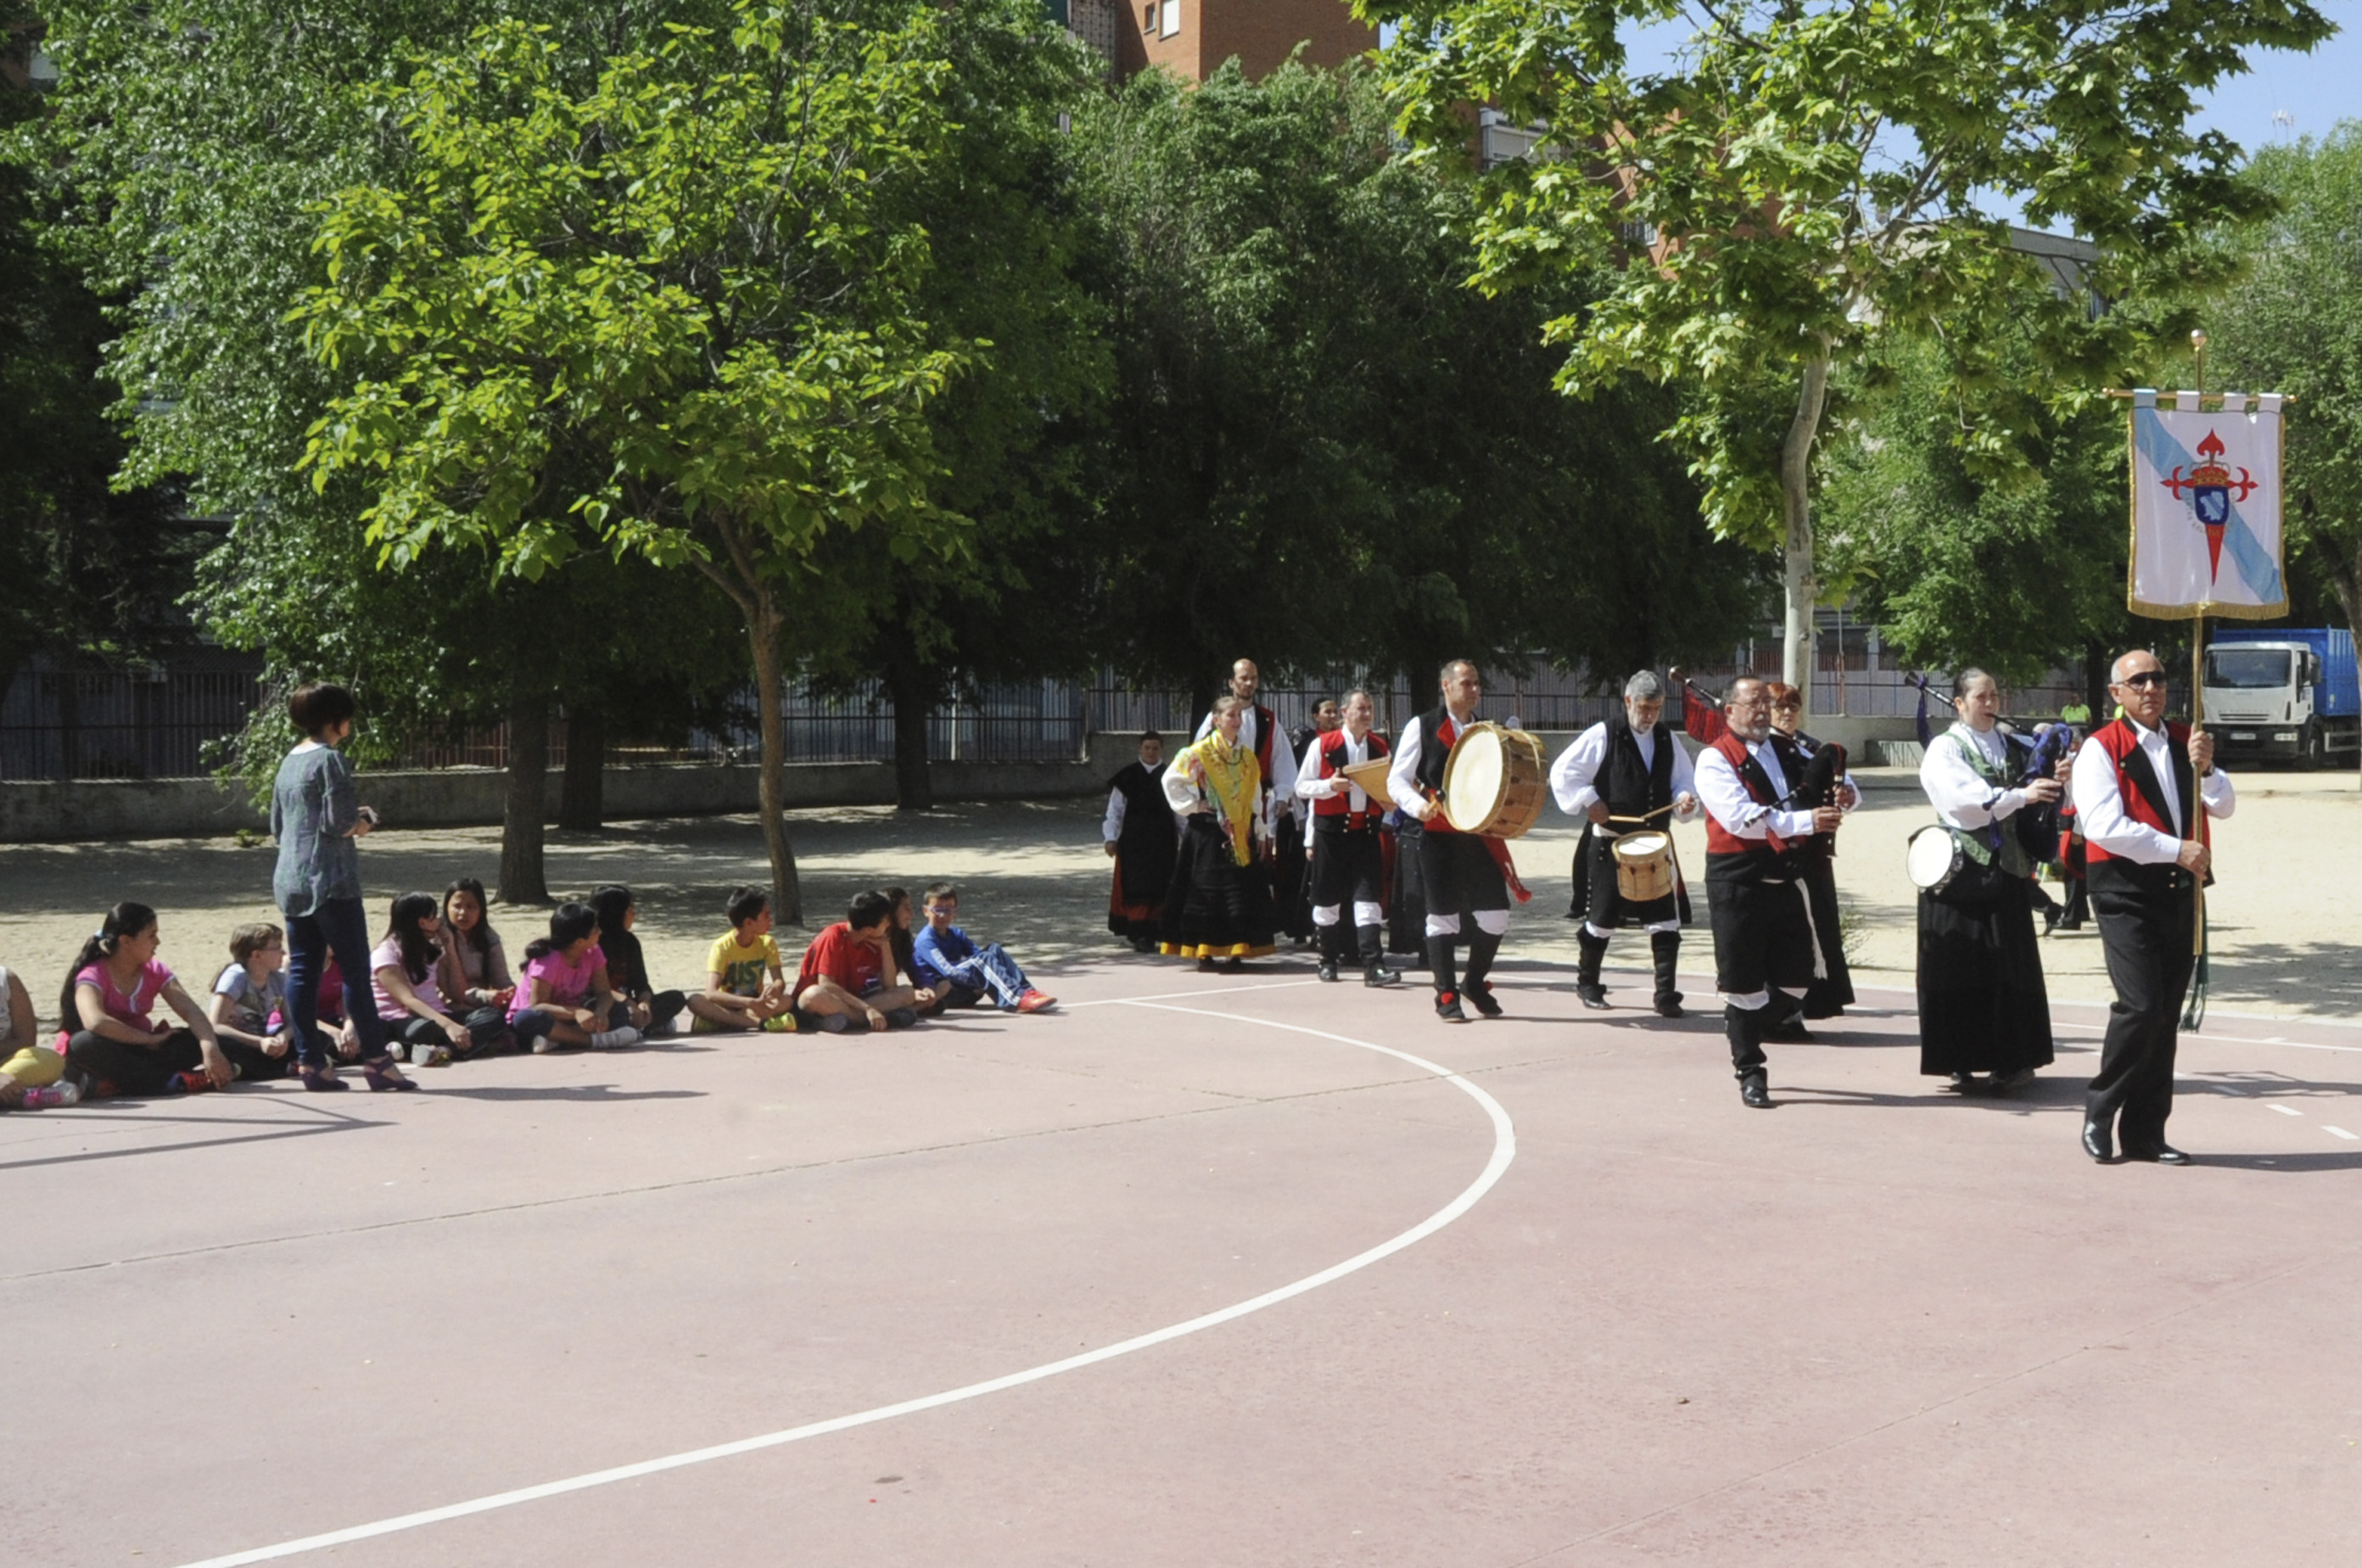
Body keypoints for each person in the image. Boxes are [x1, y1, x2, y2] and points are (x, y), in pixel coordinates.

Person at [2070, 649, 2235, 1164]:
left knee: (2164, 1017)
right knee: (2140, 1006)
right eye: (2138, 681)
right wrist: (2176, 848)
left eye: (2158, 679)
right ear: (2117, 693)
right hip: (2124, 891)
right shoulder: (2102, 748)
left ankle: (2145, 1132)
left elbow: (2224, 805)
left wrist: (2206, 770)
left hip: (2179, 893)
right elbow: (2103, 827)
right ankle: (2100, 1109)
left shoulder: (2188, 740)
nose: (2151, 688)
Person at [1695, 678, 1852, 1107]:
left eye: (1767, 702)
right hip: (1737, 882)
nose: (1764, 711)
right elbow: (1741, 819)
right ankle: (1751, 1069)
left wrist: (1844, 794)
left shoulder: (1789, 749)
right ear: (1729, 711)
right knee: (1744, 982)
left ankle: (1743, 1020)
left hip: (1785, 879)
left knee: (1800, 979)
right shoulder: (1714, 759)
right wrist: (1807, 823)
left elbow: (1826, 781)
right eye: (1754, 704)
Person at [1915, 669, 2065, 1095]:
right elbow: (1967, 804)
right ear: (1959, 703)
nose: (1991, 703)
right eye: (1981, 696)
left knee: (2009, 966)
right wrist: (2022, 795)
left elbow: (2040, 786)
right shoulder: (1946, 749)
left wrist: (2056, 778)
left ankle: (2012, 1059)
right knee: (1960, 964)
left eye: (1995, 695)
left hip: (2008, 871)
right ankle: (1959, 1059)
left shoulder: (2011, 743)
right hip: (1961, 874)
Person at [270, 681, 406, 1092]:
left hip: (291, 880)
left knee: (303, 972)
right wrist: (365, 822)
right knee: (355, 972)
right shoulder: (332, 760)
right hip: (331, 880)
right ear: (336, 720)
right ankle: (378, 1062)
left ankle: (312, 1063)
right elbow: (340, 822)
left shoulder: (288, 762)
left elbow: (278, 825)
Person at [1550, 669, 1699, 1016]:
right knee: (1602, 919)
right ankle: (1588, 983)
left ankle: (1666, 995)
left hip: (1655, 845)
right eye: (1645, 707)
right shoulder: (1604, 734)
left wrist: (1685, 800)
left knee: (1665, 921)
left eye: (1656, 709)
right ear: (1628, 701)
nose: (1649, 716)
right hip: (1610, 844)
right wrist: (1590, 799)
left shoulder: (1667, 739)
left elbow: (1683, 782)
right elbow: (1563, 772)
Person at [1387, 660, 1512, 1022]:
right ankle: (1445, 993)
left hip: (1479, 836)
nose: (1475, 690)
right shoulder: (1422, 726)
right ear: (1446, 686)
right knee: (1442, 918)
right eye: (1467, 684)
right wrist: (1418, 806)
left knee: (1496, 916)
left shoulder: (1487, 731)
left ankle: (1474, 982)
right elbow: (1398, 779)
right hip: (1437, 835)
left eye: (1477, 684)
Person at [57, 901, 238, 1098]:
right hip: (112, 1050)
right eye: (152, 935)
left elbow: (190, 1010)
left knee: (197, 1039)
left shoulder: (155, 970)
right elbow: (95, 1021)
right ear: (126, 941)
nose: (158, 942)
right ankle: (177, 1082)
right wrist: (147, 1038)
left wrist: (209, 1048)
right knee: (83, 1043)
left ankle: (120, 1084)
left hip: (143, 1052)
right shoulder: (92, 975)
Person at [1161, 694, 1280, 970]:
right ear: (1216, 721)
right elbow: (1171, 780)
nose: (1237, 721)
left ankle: (1236, 949)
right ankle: (1204, 950)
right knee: (1205, 890)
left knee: (1238, 891)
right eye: (1231, 716)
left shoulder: (1247, 757)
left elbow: (1255, 795)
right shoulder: (1198, 753)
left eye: (1239, 716)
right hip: (1207, 834)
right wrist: (1193, 805)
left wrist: (1260, 832)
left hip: (1240, 834)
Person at [1193, 660, 1307, 944]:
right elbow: (1195, 763)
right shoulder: (1212, 721)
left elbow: (1283, 761)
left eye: (1253, 678)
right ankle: (1215, 939)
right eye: (1243, 678)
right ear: (1232, 682)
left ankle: (1248, 938)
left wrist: (1282, 796)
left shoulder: (1268, 720)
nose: (1248, 683)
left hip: (1256, 807)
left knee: (1254, 872)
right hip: (1220, 811)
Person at [1296, 689, 1402, 987]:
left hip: (1366, 834)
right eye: (1361, 708)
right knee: (1327, 900)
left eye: (1370, 708)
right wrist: (1330, 785)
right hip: (1330, 834)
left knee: (1369, 900)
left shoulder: (1380, 748)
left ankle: (1373, 966)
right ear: (1345, 712)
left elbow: (1391, 790)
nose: (1367, 714)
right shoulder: (1324, 745)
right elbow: (1302, 787)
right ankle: (1328, 960)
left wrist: (1389, 805)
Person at [1766, 682, 1855, 1023]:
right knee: (1791, 935)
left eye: (1793, 706)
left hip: (1815, 854)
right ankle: (1783, 1012)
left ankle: (1811, 1005)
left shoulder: (1808, 746)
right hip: (1784, 851)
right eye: (1780, 707)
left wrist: (1846, 794)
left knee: (1820, 929)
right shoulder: (1763, 750)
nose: (1787, 713)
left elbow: (1840, 783)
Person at [372, 892, 509, 1065]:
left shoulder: (430, 950)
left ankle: (442, 1050)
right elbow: (408, 1000)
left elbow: (457, 993)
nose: (439, 921)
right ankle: (426, 1047)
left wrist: (449, 945)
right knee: (423, 1031)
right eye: (434, 917)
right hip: (402, 1019)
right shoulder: (385, 953)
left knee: (493, 1017)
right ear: (422, 922)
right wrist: (448, 1026)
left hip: (437, 1015)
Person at [507, 902, 641, 1053]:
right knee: (525, 1019)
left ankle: (559, 1040)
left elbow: (604, 992)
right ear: (579, 941)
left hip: (572, 1021)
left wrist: (601, 1013)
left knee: (619, 1012)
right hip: (545, 1018)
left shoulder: (593, 952)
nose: (600, 932)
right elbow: (538, 1005)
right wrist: (576, 1012)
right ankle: (595, 1041)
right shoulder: (548, 960)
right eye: (595, 929)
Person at [793, 891, 932, 1031]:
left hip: (853, 1001)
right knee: (813, 995)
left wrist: (885, 946)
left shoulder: (874, 940)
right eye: (886, 922)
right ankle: (867, 1020)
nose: (889, 925)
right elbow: (826, 984)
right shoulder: (833, 936)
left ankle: (846, 1021)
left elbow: (890, 986)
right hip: (826, 999)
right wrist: (867, 1009)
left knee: (907, 992)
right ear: (868, 929)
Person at [912, 882, 1056, 1012]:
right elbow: (949, 971)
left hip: (965, 988)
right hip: (945, 992)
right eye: (938, 909)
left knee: (994, 950)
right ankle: (1017, 998)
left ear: (955, 912)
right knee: (983, 960)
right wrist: (978, 981)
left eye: (949, 910)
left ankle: (1027, 991)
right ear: (926, 911)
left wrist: (986, 975)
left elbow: (980, 955)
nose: (943, 915)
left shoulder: (955, 933)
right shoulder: (926, 940)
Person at [683, 886, 796, 1033]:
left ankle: (723, 1021)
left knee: (787, 1000)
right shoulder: (722, 947)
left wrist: (776, 988)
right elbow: (711, 993)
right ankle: (760, 1023)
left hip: (758, 1002)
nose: (770, 920)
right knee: (695, 1001)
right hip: (730, 1004)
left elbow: (779, 981)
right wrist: (748, 1003)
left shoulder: (768, 943)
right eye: (766, 916)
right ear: (749, 923)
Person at [1104, 731, 1178, 953]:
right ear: (1140, 749)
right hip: (1134, 843)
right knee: (1137, 886)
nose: (1151, 752)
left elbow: (1180, 813)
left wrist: (1185, 840)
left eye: (1155, 748)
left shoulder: (1171, 776)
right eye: (1147, 748)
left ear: (1161, 749)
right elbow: (1114, 811)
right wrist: (1110, 838)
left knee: (1162, 885)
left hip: (1164, 842)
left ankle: (1160, 931)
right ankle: (1140, 933)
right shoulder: (1127, 777)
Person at [205, 922, 299, 1082]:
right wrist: (259, 1042)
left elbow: (292, 1021)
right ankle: (281, 1068)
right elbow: (214, 1025)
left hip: (271, 1042)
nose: (283, 953)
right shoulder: (236, 977)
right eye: (277, 948)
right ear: (256, 955)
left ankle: (248, 1071)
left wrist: (283, 1036)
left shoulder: (279, 977)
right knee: (222, 1044)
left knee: (316, 1036)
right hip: (245, 1043)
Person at [589, 884, 686, 1036]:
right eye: (629, 909)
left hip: (632, 1003)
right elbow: (596, 989)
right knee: (614, 1013)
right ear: (615, 914)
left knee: (676, 998)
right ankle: (646, 1026)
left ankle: (640, 1025)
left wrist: (644, 1002)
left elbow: (640, 981)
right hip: (605, 1004)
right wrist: (628, 1003)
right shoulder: (593, 944)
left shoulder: (630, 942)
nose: (634, 913)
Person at [1, 960, 76, 1109]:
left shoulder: (6, 980)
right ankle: (21, 1097)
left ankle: (13, 1095)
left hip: (6, 1065)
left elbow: (26, 1041)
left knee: (50, 1060)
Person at [436, 878, 515, 1016]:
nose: (463, 913)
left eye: (471, 907)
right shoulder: (438, 940)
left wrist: (509, 994)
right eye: (457, 906)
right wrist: (482, 996)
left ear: (481, 910)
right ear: (446, 907)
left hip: (485, 1003)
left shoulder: (489, 938)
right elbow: (446, 992)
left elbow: (502, 980)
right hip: (449, 1006)